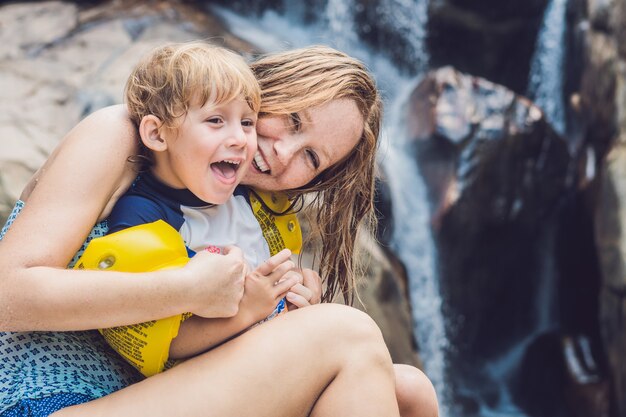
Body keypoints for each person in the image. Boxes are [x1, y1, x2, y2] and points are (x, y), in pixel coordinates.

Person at [0, 45, 437, 416]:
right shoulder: (125, 136)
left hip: (145, 396)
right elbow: (7, 295)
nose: (283, 154)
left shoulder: (248, 211)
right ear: (266, 87)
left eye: (311, 159)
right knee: (344, 333)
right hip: (44, 398)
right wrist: (188, 288)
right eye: (293, 120)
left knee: (410, 390)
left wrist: (281, 318)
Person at [96, 41, 301, 374]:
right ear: (157, 134)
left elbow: (277, 270)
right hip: (205, 380)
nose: (240, 139)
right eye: (217, 120)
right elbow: (164, 341)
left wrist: (301, 288)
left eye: (247, 123)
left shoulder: (248, 198)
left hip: (276, 358)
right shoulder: (142, 216)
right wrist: (249, 309)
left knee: (411, 385)